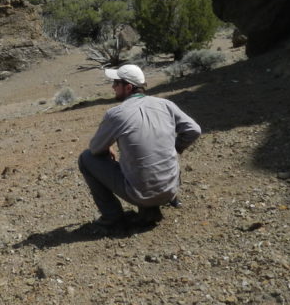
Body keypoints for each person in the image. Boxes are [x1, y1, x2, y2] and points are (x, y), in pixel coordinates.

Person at [78, 63, 201, 232]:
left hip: (140, 194)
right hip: (171, 190)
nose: (113, 86)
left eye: (116, 83)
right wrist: (175, 148)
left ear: (128, 87)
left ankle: (112, 217)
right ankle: (157, 204)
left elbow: (94, 150)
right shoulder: (166, 104)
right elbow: (194, 130)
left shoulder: (116, 114)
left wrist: (107, 149)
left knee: (86, 159)